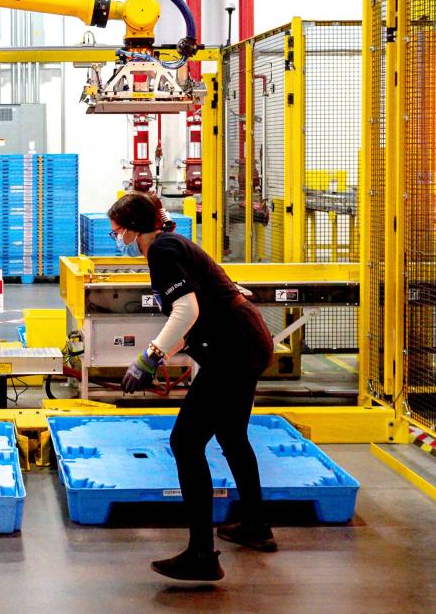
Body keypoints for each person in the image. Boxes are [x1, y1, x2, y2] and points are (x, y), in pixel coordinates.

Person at [108, 192, 276, 583]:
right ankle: (255, 525)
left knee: (185, 442)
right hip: (245, 341)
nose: (116, 236)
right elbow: (193, 315)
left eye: (117, 230)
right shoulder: (173, 243)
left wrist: (149, 358)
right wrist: (161, 355)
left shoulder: (162, 251)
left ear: (134, 228)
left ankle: (201, 553)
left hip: (232, 352)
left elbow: (187, 310)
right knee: (232, 437)